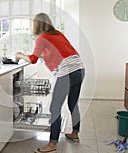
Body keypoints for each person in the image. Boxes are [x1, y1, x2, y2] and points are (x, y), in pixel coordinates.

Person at [16, 13, 85, 153]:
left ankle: (52, 144)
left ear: (36, 24)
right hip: (79, 69)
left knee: (54, 109)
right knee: (73, 103)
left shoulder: (42, 38)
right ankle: (75, 134)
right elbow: (63, 51)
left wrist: (20, 55)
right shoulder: (58, 33)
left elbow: (33, 59)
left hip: (66, 73)